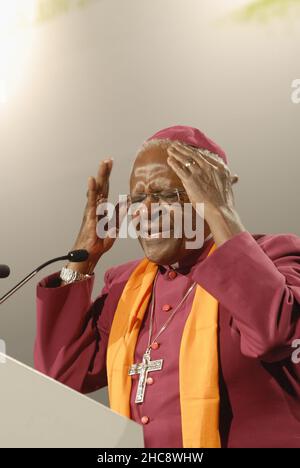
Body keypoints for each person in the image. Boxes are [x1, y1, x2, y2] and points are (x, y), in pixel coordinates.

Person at [34, 125, 300, 448]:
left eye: (163, 195)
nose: (145, 211)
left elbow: (272, 333)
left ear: (210, 193)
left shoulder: (274, 259)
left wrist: (221, 213)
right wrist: (83, 257)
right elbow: (61, 373)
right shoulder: (126, 287)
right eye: (137, 199)